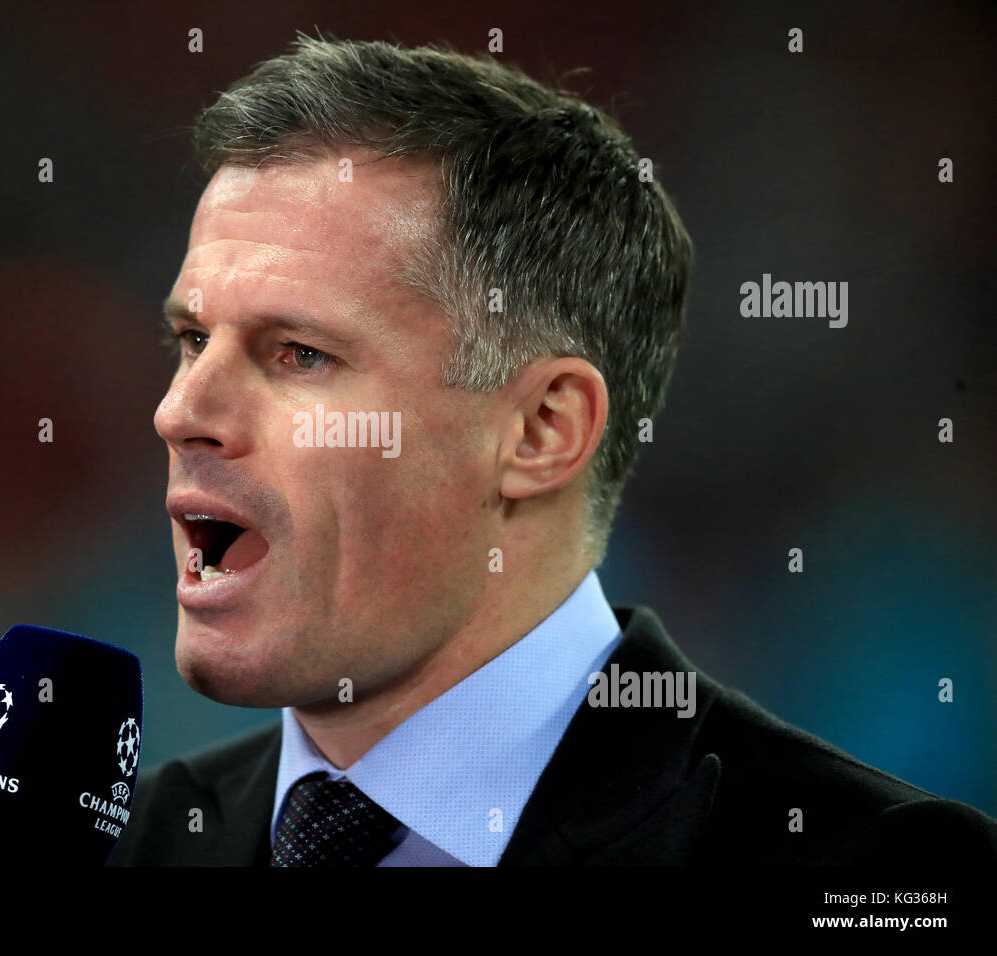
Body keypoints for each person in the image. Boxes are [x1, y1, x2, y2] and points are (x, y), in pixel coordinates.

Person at [110, 35, 997, 866]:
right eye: (192, 340)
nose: (180, 410)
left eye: (300, 354)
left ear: (541, 431)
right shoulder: (125, 843)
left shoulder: (874, 867)